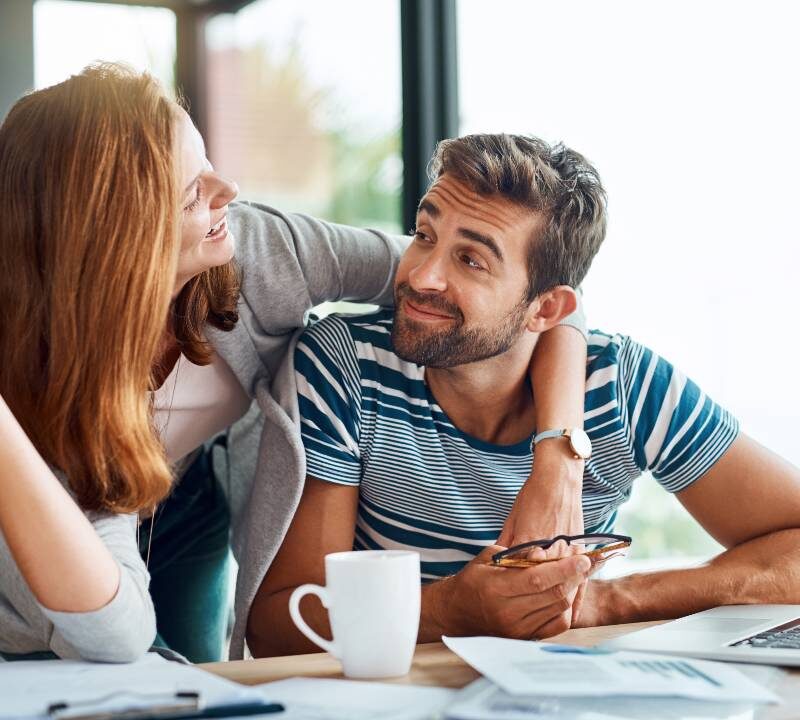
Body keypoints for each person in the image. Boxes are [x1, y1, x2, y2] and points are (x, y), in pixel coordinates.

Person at [0, 65, 588, 662]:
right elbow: (113, 632)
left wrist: (558, 457)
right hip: (63, 512)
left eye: (206, 162)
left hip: (190, 485)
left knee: (197, 677)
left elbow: (537, 300)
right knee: (73, 658)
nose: (226, 189)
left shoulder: (262, 252)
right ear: (113, 231)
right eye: (191, 192)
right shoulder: (39, 384)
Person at [248, 133, 800, 657]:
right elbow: (277, 624)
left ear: (547, 309)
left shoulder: (621, 386)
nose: (421, 275)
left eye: (471, 260)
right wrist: (448, 610)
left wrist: (609, 600)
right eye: (424, 235)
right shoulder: (343, 365)